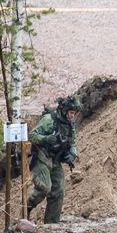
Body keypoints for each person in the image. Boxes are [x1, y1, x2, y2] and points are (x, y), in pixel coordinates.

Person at [27, 96, 78, 224]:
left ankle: (51, 223)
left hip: (55, 159)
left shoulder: (69, 124)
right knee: (44, 187)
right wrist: (46, 139)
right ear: (65, 110)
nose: (72, 116)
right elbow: (32, 136)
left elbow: (72, 142)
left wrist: (72, 154)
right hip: (42, 157)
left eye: (74, 114)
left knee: (59, 191)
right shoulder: (49, 120)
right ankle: (26, 208)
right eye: (71, 113)